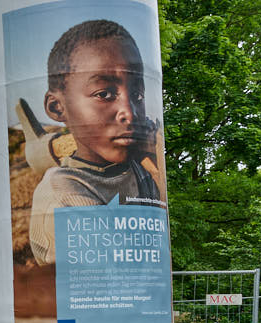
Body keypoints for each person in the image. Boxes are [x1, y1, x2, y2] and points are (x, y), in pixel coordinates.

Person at [29, 19, 162, 266]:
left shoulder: (137, 170)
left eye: (138, 95)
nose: (129, 113)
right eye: (104, 94)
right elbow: (120, 269)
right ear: (57, 107)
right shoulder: (62, 192)